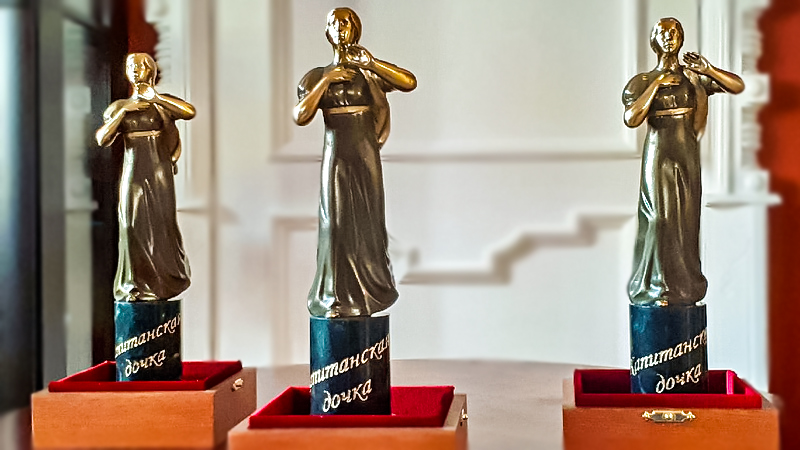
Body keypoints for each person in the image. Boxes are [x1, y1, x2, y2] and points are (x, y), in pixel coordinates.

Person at [294, 7, 417, 318]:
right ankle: (333, 297)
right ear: (327, 32)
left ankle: (373, 291)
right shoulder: (315, 76)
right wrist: (327, 80)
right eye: (335, 23)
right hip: (336, 153)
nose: (341, 27)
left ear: (356, 29)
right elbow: (301, 115)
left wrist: (371, 63)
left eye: (347, 22)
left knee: (367, 221)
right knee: (335, 223)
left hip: (365, 152)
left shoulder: (368, 72)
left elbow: (409, 82)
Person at [623, 18, 744, 306]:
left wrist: (709, 69)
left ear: (681, 38)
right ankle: (655, 287)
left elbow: (737, 86)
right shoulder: (642, 81)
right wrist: (657, 84)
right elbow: (631, 118)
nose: (670, 36)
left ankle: (685, 286)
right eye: (663, 32)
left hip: (686, 153)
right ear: (654, 40)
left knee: (685, 220)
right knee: (659, 218)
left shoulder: (693, 77)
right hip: (659, 153)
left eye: (675, 32)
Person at [96, 53, 196, 302]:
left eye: (141, 65)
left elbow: (189, 112)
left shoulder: (161, 103)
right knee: (131, 223)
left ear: (150, 70)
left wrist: (155, 98)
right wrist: (124, 112)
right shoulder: (119, 107)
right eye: (131, 66)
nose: (135, 69)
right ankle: (133, 283)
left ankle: (165, 281)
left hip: (158, 170)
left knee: (161, 224)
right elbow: (102, 139)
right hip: (133, 169)